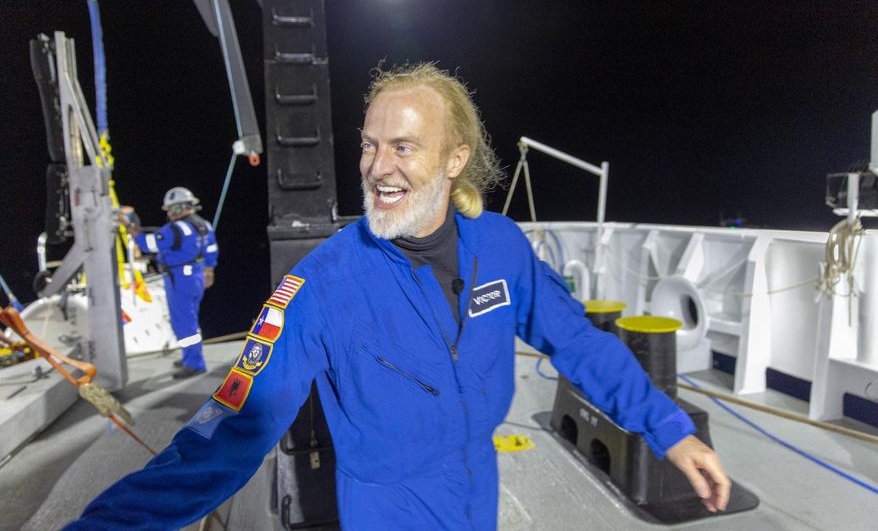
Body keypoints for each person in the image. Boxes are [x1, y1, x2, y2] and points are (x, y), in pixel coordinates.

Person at [67, 64, 729, 530]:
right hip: (388, 507)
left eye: (403, 147)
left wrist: (668, 428)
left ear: (453, 158)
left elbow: (578, 340)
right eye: (370, 146)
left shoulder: (500, 246)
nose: (378, 167)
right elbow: (234, 425)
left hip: (477, 485)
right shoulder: (319, 285)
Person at [120, 187, 218, 379]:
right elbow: (211, 248)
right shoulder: (203, 224)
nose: (168, 214)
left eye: (169, 210)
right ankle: (190, 356)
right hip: (197, 276)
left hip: (180, 279)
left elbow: (147, 243)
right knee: (191, 319)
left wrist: (130, 227)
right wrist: (209, 270)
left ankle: (194, 364)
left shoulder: (174, 229)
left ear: (178, 208)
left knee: (183, 322)